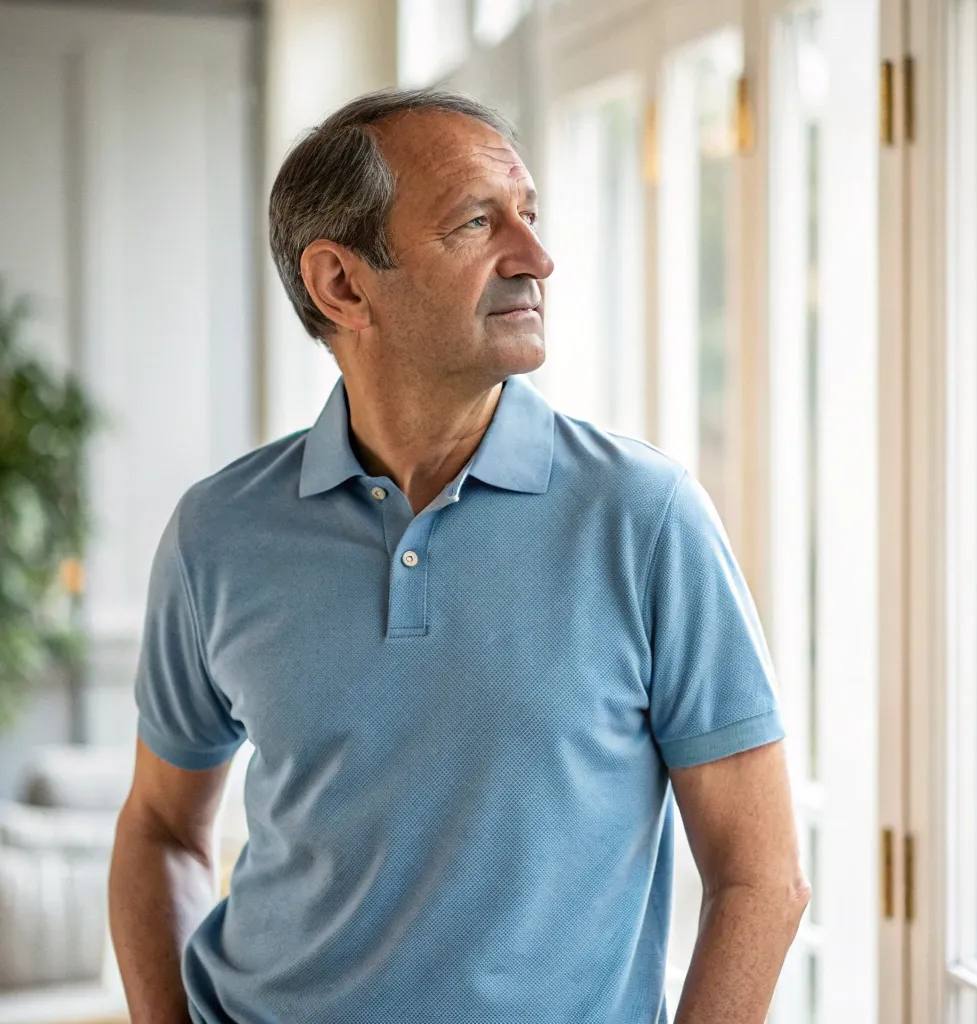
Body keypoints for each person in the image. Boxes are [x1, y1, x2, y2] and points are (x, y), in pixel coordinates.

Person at [108, 87, 809, 1024]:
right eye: (478, 223)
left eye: (529, 215)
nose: (536, 257)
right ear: (342, 285)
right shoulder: (218, 533)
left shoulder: (646, 519)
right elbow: (159, 825)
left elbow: (762, 877)